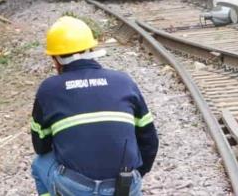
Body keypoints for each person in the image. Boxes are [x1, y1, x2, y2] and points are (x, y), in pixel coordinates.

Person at [31, 16, 158, 196]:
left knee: (39, 164)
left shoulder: (49, 89)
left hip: (77, 187)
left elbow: (41, 146)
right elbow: (149, 140)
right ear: (91, 49)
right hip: (124, 186)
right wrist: (136, 175)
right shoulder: (123, 81)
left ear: (55, 59)